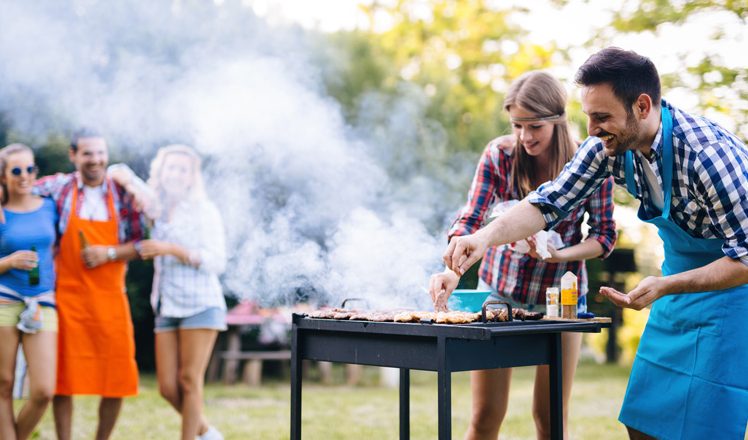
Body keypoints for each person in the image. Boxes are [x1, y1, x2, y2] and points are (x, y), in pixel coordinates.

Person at [444, 47, 748, 439]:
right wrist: (483, 237)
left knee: (705, 428)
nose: (591, 129)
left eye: (602, 117)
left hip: (731, 292)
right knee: (643, 423)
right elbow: (548, 201)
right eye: (588, 116)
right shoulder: (607, 148)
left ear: (642, 106)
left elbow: (744, 258)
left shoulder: (707, 157)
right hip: (675, 287)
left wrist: (667, 285)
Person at [429, 71, 617, 439]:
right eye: (518, 125)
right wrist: (452, 268)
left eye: (535, 126)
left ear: (557, 120)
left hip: (561, 301)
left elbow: (604, 237)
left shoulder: (590, 161)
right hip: (500, 294)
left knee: (550, 419)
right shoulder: (499, 155)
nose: (525, 136)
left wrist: (560, 255)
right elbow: (472, 217)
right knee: (485, 418)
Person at [34, 131, 146, 440]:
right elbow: (19, 191)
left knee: (117, 376)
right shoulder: (59, 188)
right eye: (87, 154)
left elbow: (143, 244)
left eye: (100, 153)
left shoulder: (123, 193)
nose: (95, 160)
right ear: (73, 156)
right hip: (67, 297)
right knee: (63, 379)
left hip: (111, 298)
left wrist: (109, 253)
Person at [137, 144, 227, 440]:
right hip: (166, 304)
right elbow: (120, 174)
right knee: (167, 388)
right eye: (170, 167)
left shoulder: (204, 210)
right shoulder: (156, 209)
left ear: (191, 177)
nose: (175, 174)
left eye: (183, 169)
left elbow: (217, 260)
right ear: (160, 173)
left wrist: (172, 249)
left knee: (189, 380)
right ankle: (209, 435)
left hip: (201, 304)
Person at [0, 144, 59, 440]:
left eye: (30, 169)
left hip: (42, 303)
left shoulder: (50, 206)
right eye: (16, 170)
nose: (24, 176)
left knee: (43, 391)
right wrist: (9, 262)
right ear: (3, 176)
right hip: (4, 301)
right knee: (4, 383)